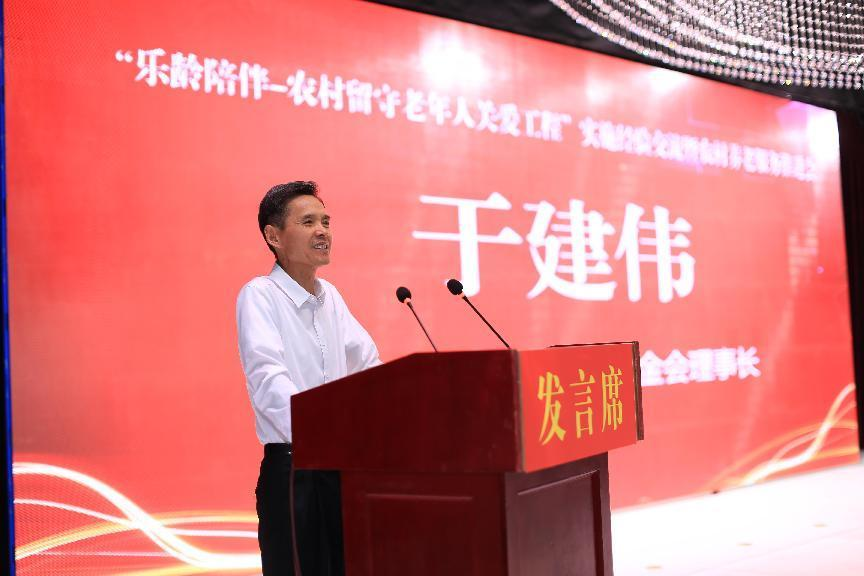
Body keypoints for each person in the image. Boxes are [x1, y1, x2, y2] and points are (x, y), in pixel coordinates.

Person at [236, 181, 380, 575]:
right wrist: (325, 434)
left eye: (326, 222)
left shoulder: (330, 296)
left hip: (340, 470)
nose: (322, 231)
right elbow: (268, 380)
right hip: (293, 473)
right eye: (308, 222)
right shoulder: (260, 295)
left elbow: (368, 365)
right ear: (274, 236)